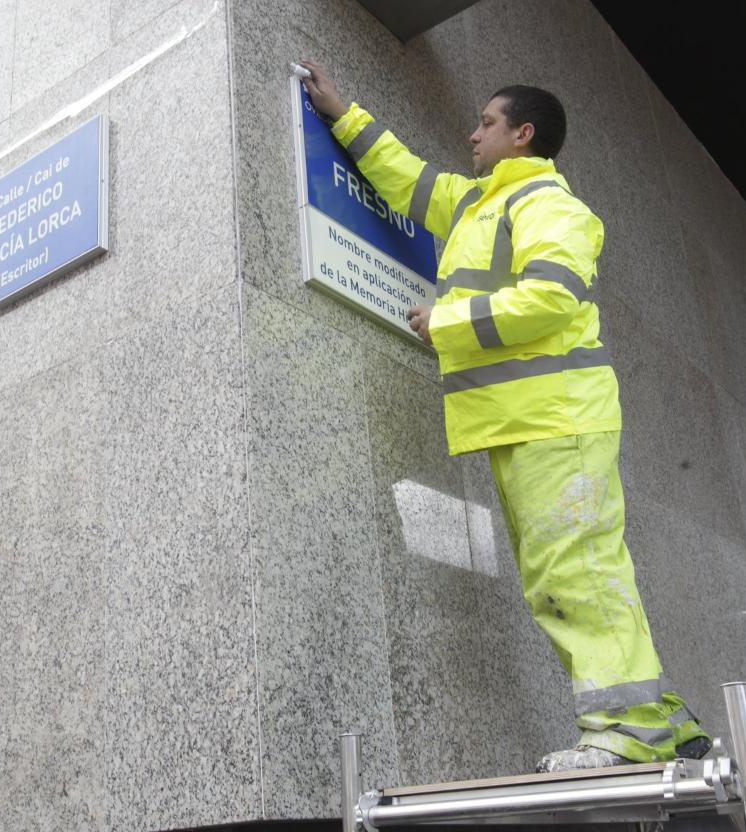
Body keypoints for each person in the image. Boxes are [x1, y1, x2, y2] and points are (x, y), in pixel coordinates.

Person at [299, 60, 711, 771]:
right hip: (524, 423)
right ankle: (662, 724)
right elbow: (407, 177)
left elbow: (551, 299)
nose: (472, 133)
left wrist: (447, 321)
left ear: (523, 134)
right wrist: (343, 113)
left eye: (487, 122)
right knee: (566, 576)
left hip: (556, 420)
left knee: (575, 572)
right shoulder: (475, 205)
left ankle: (628, 732)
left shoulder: (552, 208)